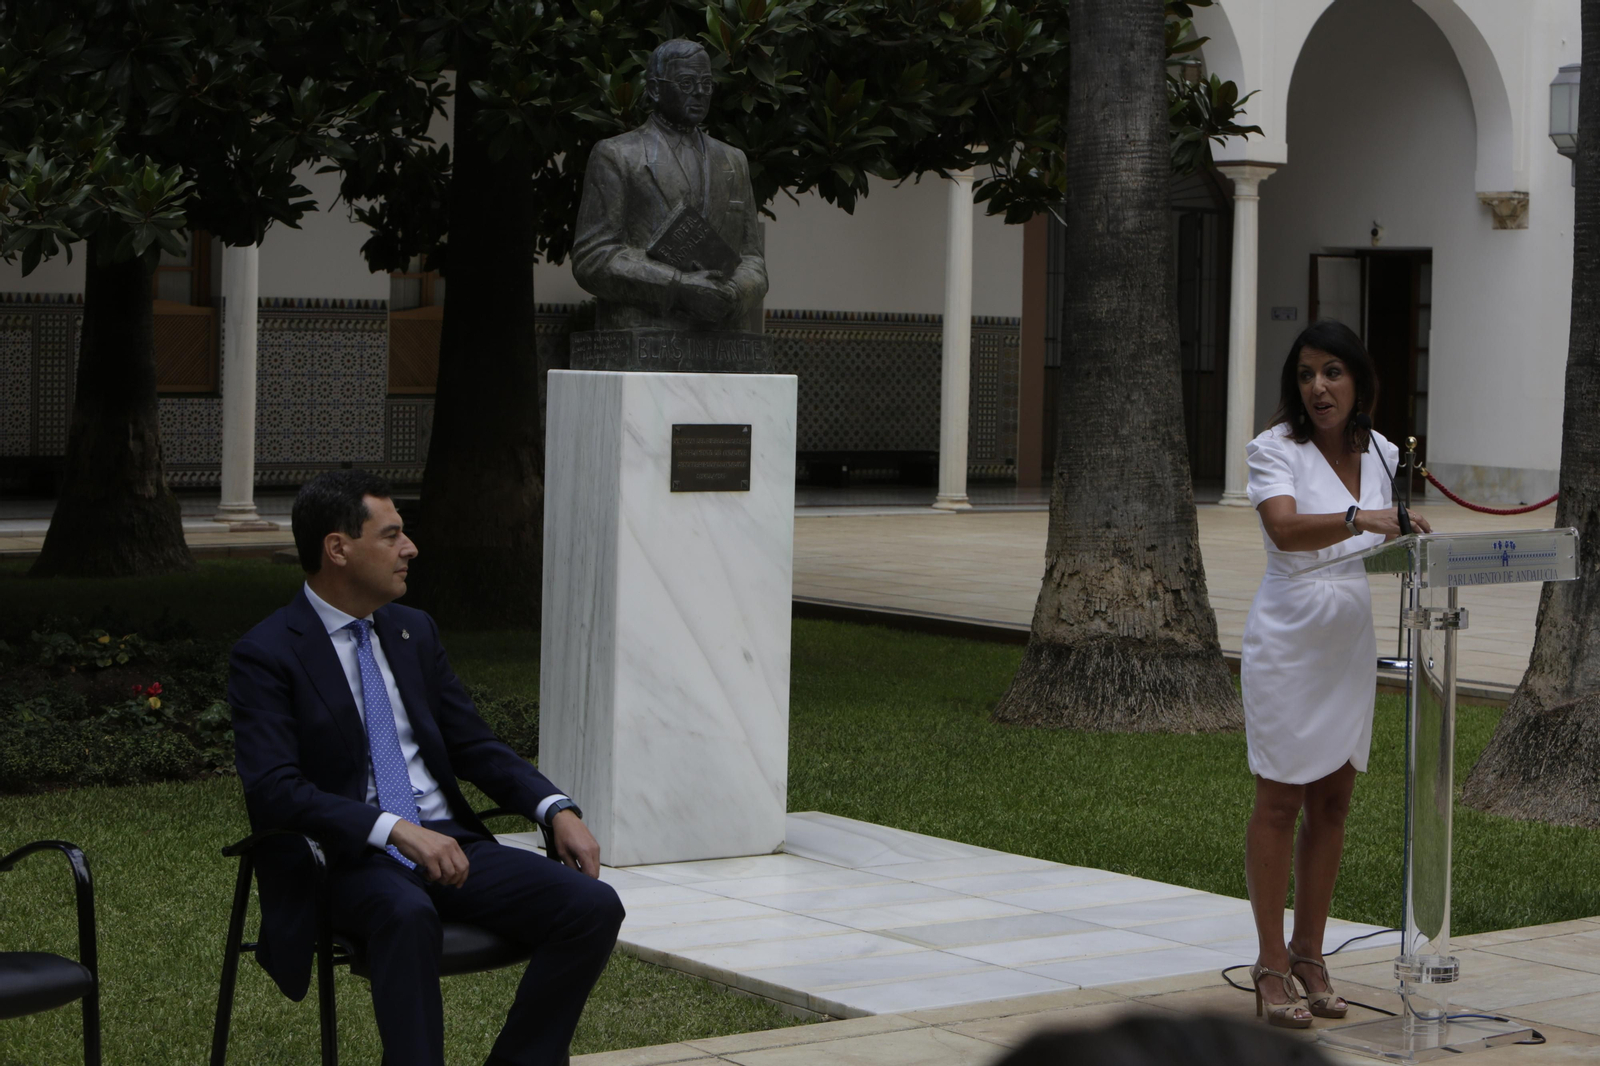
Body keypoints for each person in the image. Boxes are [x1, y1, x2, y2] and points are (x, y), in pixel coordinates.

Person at [227, 470, 623, 1066]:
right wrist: (393, 829)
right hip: (348, 859)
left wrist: (555, 806)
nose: (410, 548)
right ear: (338, 548)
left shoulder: (414, 631)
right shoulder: (268, 652)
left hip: (451, 846)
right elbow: (275, 791)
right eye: (392, 536)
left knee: (593, 906)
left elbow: (474, 745)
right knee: (406, 913)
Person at [1239, 320, 1432, 1028]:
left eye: (1332, 373)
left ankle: (1310, 954)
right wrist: (1364, 517)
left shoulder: (1380, 451)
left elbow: (1386, 529)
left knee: (1334, 803)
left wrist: (1407, 534)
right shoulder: (1273, 448)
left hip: (1349, 638)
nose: (1318, 388)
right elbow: (1286, 529)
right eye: (1305, 375)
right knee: (1280, 800)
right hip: (1290, 640)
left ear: (1358, 381)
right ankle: (1268, 964)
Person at [570, 38, 768, 331]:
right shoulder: (618, 155)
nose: (700, 93)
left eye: (706, 83)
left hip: (721, 337)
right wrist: (678, 286)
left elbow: (752, 257)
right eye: (687, 83)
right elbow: (592, 257)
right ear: (654, 89)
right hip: (646, 331)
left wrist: (736, 292)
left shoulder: (733, 160)